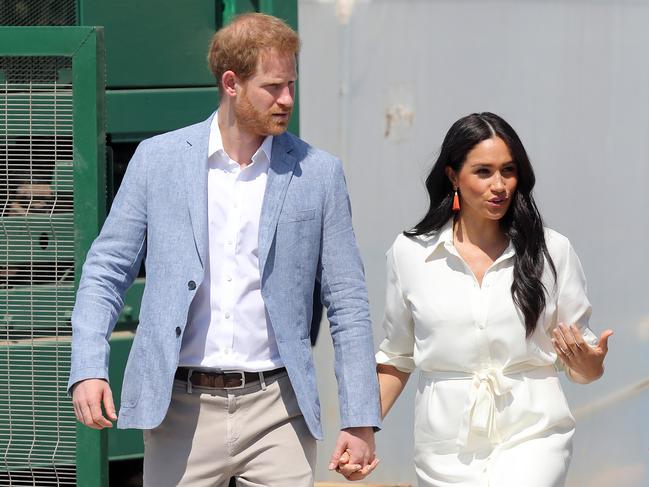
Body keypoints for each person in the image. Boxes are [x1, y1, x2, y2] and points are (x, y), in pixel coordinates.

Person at [68, 13, 380, 487]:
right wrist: (89, 366)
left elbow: (348, 302)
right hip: (178, 410)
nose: (287, 100)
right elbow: (106, 270)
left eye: (291, 84)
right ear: (231, 83)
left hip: (280, 408)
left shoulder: (319, 173)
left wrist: (359, 418)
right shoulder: (158, 160)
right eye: (273, 87)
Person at [340, 112, 612, 485]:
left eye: (509, 170)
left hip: (533, 435)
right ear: (453, 176)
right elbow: (397, 357)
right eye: (483, 172)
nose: (499, 185)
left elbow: (583, 367)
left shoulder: (553, 251)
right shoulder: (410, 253)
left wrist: (590, 363)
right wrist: (361, 430)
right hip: (444, 446)